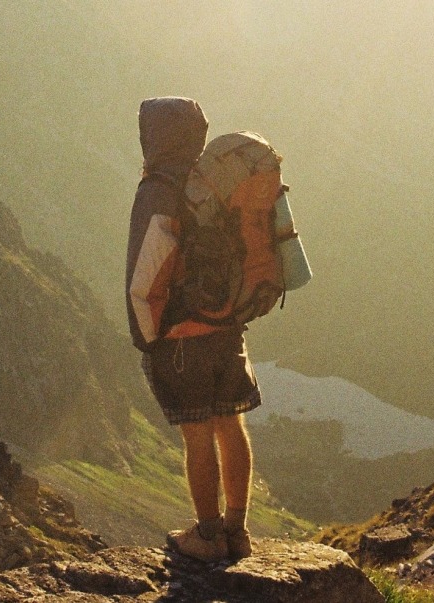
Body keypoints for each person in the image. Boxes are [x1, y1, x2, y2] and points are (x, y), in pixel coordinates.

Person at [126, 97, 260, 562]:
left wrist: (148, 339)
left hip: (182, 337)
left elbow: (145, 275)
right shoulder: (215, 183)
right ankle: (237, 531)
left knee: (197, 435)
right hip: (228, 328)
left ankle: (206, 536)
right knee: (231, 422)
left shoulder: (159, 190)